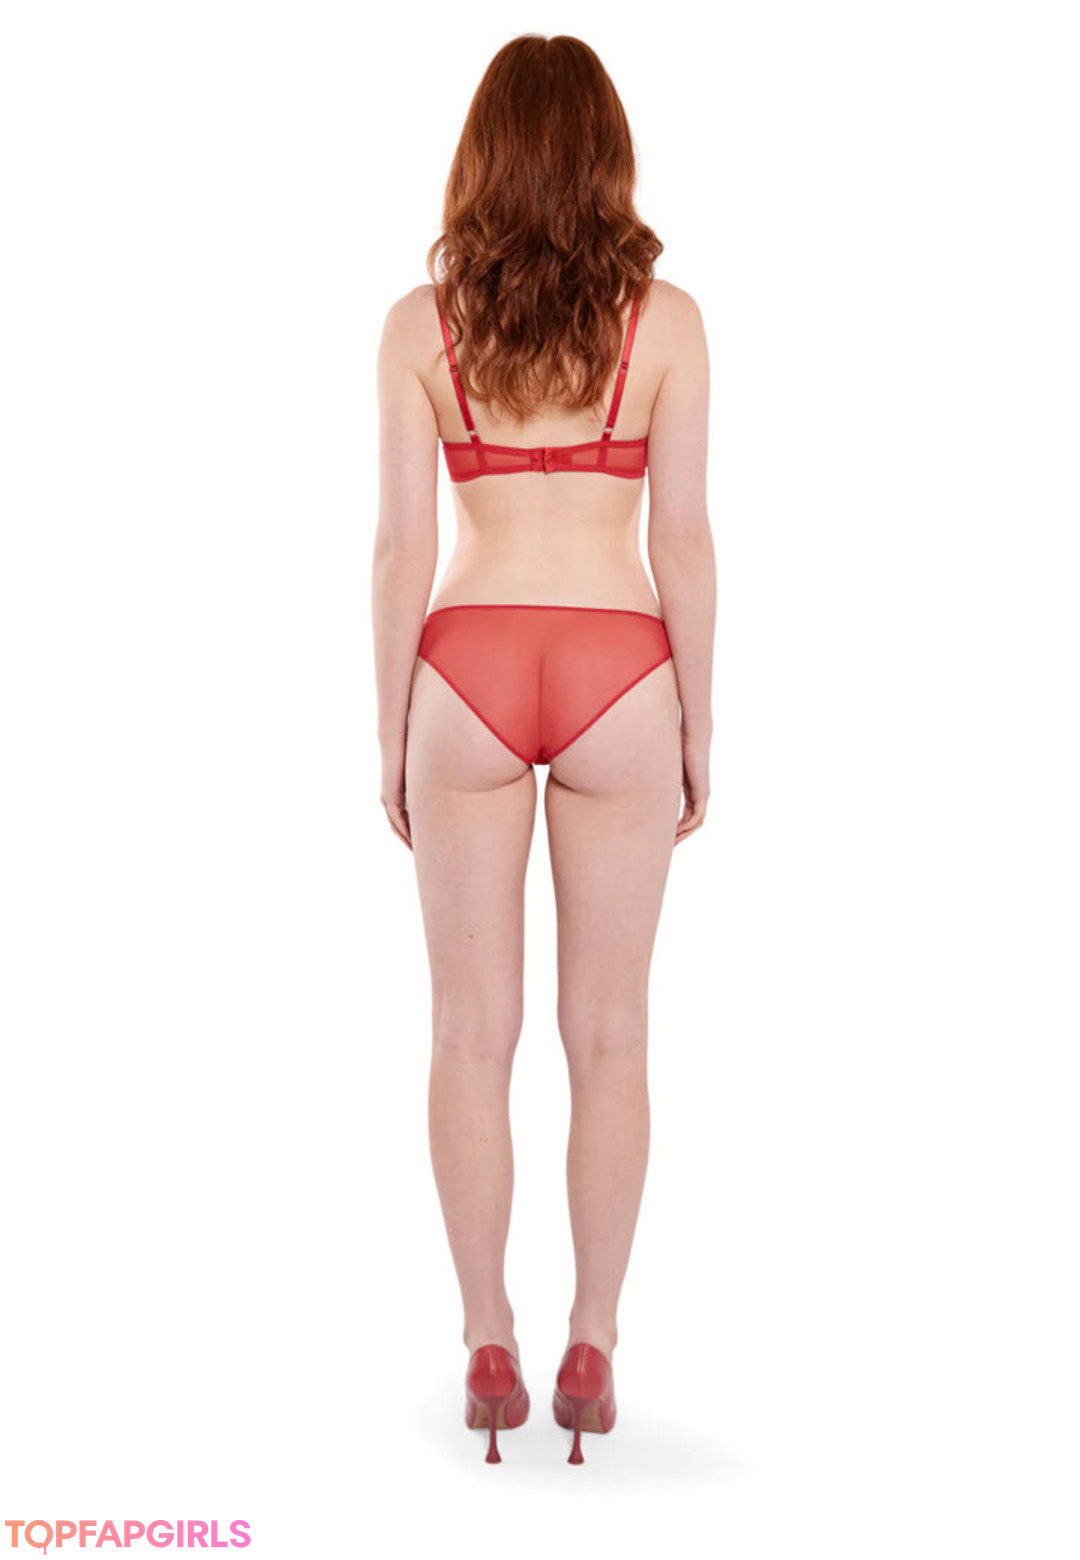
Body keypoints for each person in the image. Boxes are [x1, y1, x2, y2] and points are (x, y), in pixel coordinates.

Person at [372, 34, 715, 1466]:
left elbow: (401, 547)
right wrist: (702, 721)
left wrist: (390, 725)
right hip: (619, 666)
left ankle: (486, 1338)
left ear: (485, 155)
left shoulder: (420, 325)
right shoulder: (668, 323)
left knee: (469, 1031)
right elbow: (682, 538)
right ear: (606, 156)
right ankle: (593, 1337)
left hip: (467, 661)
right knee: (612, 1033)